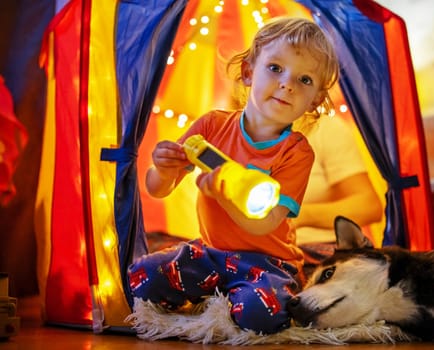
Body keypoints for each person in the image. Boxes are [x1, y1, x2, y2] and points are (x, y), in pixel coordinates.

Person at [127, 17, 339, 334]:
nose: (288, 84)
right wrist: (164, 168)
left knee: (261, 316)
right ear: (248, 72)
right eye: (276, 68)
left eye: (305, 80)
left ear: (316, 102)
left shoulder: (296, 152)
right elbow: (156, 189)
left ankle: (235, 297)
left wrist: (225, 197)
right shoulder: (212, 126)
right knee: (140, 278)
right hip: (210, 253)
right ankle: (220, 294)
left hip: (267, 261)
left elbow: (266, 223)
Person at [293, 115, 383, 246]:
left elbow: (369, 206)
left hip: (317, 247)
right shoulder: (253, 135)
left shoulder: (323, 129)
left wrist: (299, 216)